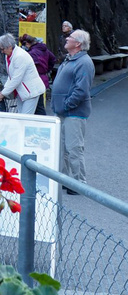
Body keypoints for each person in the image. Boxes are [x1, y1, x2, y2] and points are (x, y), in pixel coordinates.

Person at [51, 28, 94, 192]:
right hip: (64, 112)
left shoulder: (84, 62)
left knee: (74, 148)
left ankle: (78, 183)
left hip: (73, 113)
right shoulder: (70, 59)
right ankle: (65, 180)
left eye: (70, 37)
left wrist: (66, 104)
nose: (67, 39)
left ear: (78, 43)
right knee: (63, 149)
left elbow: (81, 90)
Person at [0, 33, 45, 114]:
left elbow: (16, 79)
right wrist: (3, 91)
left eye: (3, 49)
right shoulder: (9, 55)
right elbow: (11, 77)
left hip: (30, 92)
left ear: (10, 46)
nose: (2, 51)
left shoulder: (19, 56)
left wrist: (3, 93)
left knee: (25, 118)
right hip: (23, 92)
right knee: (22, 117)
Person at [19, 34, 56, 116]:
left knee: (38, 107)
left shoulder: (31, 54)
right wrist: (47, 69)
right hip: (43, 78)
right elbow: (53, 59)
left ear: (27, 44)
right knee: (39, 104)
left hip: (35, 80)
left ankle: (43, 124)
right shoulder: (44, 49)